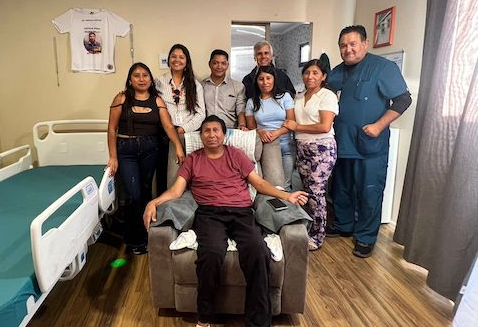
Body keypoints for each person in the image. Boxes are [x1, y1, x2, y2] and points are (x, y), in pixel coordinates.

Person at [143, 115, 308, 327]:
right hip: (209, 214)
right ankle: (205, 318)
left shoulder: (236, 155)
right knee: (210, 254)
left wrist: (286, 195)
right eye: (206, 131)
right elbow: (176, 191)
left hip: (241, 212)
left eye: (216, 130)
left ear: (224, 134)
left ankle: (258, 322)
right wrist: (153, 202)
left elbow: (258, 183)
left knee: (258, 252)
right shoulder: (193, 159)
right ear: (201, 136)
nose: (211, 134)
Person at [326, 25, 411, 258]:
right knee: (341, 188)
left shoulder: (383, 68)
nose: (348, 49)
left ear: (365, 44)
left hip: (369, 145)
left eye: (353, 44)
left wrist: (379, 125)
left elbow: (403, 100)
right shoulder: (336, 72)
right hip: (341, 142)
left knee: (369, 191)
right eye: (343, 45)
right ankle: (343, 225)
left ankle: (365, 237)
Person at [107, 62, 184, 255]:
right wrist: (113, 157)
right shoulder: (121, 98)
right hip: (126, 151)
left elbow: (168, 126)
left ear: (150, 79)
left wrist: (178, 146)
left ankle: (145, 235)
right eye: (136, 75)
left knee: (145, 191)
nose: (141, 79)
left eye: (145, 75)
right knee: (133, 194)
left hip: (150, 150)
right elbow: (112, 129)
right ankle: (134, 238)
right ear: (130, 80)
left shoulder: (157, 100)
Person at [283, 59, 338, 251]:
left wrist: (297, 127)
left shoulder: (327, 95)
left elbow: (325, 126)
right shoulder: (299, 96)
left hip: (322, 148)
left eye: (315, 73)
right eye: (307, 73)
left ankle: (317, 236)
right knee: (307, 190)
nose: (310, 76)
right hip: (302, 147)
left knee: (316, 192)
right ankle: (309, 228)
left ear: (323, 77)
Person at [155, 44, 206, 192]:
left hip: (188, 134)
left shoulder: (195, 85)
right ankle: (165, 203)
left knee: (187, 175)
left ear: (187, 61)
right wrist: (171, 131)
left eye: (181, 57)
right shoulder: (158, 83)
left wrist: (183, 129)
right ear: (168, 60)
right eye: (173, 56)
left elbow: (200, 113)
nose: (177, 60)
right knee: (164, 175)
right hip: (165, 135)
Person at [246, 66, 296, 191]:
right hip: (265, 146)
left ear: (274, 79)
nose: (265, 82)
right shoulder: (252, 102)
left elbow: (291, 122)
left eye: (268, 78)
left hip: (286, 147)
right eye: (261, 79)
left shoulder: (285, 97)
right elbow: (251, 127)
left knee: (285, 186)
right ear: (256, 81)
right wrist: (260, 131)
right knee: (272, 185)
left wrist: (276, 133)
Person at [201, 49, 247, 130]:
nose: (219, 66)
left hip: (230, 129)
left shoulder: (238, 86)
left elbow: (241, 110)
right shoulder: (201, 86)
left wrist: (242, 125)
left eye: (223, 63)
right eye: (215, 63)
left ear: (227, 65)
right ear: (209, 64)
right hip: (207, 130)